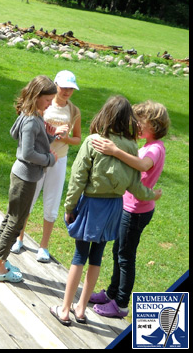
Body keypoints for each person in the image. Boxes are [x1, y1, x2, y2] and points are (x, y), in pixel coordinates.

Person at [50, 95, 162, 327]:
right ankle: (81, 309)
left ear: (105, 114)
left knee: (79, 256)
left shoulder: (93, 141)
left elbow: (78, 179)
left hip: (91, 205)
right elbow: (135, 185)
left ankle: (64, 309)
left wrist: (70, 206)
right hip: (114, 209)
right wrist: (152, 195)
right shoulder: (132, 146)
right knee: (97, 257)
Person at [89, 100, 170, 318]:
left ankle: (121, 304)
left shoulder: (154, 148)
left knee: (125, 257)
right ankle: (111, 293)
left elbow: (143, 166)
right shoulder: (147, 146)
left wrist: (115, 151)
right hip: (130, 207)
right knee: (118, 253)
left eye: (140, 122)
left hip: (136, 211)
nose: (136, 126)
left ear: (153, 125)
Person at [0, 75, 68, 283]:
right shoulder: (33, 120)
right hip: (26, 177)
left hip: (21, 175)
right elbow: (27, 153)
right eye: (47, 100)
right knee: (16, 221)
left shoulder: (29, 114)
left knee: (11, 217)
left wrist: (49, 135)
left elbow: (16, 133)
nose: (50, 104)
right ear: (36, 96)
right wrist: (49, 159)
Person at [12, 70, 81, 262]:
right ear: (55, 85)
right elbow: (31, 129)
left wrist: (66, 138)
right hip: (38, 158)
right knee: (29, 198)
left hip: (59, 160)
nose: (67, 91)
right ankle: (19, 238)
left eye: (71, 88)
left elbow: (77, 139)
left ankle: (44, 246)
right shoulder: (44, 106)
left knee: (52, 203)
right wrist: (51, 131)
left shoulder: (74, 111)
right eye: (64, 87)